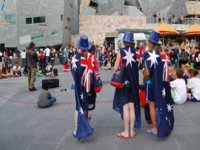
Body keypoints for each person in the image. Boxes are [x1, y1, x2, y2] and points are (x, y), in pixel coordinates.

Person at [143, 30, 174, 137]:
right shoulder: (164, 55)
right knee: (162, 105)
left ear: (150, 42)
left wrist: (143, 78)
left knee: (152, 106)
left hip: (151, 84)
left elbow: (147, 73)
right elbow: (168, 72)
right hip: (163, 85)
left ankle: (155, 128)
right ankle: (165, 124)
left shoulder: (147, 55)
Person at [113, 32, 141, 139]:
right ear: (132, 42)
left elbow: (115, 68)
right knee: (132, 107)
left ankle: (126, 131)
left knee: (125, 108)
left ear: (124, 41)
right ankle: (132, 131)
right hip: (134, 83)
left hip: (124, 83)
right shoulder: (136, 52)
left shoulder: (121, 52)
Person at [71, 34, 99, 136]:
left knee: (78, 107)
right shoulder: (92, 58)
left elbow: (74, 72)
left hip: (79, 87)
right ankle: (86, 126)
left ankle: (77, 128)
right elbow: (96, 71)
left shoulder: (74, 58)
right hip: (89, 88)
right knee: (89, 108)